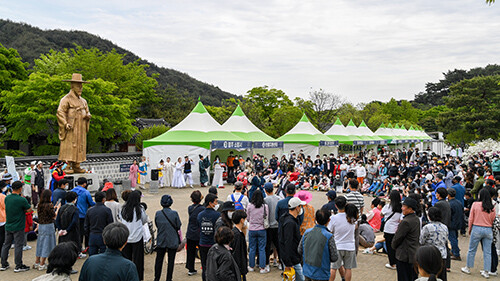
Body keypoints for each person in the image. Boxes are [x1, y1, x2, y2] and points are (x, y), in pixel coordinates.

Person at [461, 188, 496, 278]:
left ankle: (468, 268)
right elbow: (493, 219)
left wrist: (470, 229)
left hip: (476, 228)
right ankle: (486, 271)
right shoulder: (492, 206)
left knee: (472, 249)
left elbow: (471, 218)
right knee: (487, 252)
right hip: (488, 230)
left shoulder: (475, 204)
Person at [0, 181, 32, 272]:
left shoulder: (7, 198)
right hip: (18, 226)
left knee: (6, 245)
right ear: (20, 188)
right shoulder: (21, 199)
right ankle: (18, 265)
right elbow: (29, 209)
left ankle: (3, 264)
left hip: (8, 225)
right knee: (18, 245)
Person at [298, 209, 338, 281]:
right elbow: (334, 257)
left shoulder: (307, 232)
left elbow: (299, 250)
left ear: (315, 219)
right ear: (329, 220)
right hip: (322, 273)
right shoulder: (329, 236)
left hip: (307, 271)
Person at [119, 190, 148, 280]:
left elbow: (120, 218)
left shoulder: (123, 208)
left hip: (126, 236)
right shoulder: (140, 209)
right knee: (138, 259)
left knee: (126, 258)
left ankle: (125, 276)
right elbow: (144, 220)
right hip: (137, 236)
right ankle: (138, 277)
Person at [328, 198, 358, 281]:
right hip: (350, 246)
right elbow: (355, 227)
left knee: (333, 268)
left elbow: (329, 231)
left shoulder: (333, 218)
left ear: (336, 206)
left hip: (338, 246)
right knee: (348, 268)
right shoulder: (352, 217)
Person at [392, 197, 421, 281]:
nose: (402, 208)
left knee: (403, 277)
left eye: (404, 206)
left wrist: (393, 246)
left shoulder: (406, 222)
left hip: (404, 255)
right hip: (413, 254)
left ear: (410, 209)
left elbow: (398, 238)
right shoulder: (416, 219)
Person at [154, 194, 181, 281]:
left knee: (159, 260)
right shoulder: (174, 213)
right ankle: (169, 278)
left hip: (161, 239)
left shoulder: (158, 213)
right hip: (172, 239)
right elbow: (178, 225)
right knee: (171, 261)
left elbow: (157, 224)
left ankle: (156, 278)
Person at [279, 197, 306, 281]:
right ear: (297, 207)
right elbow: (288, 242)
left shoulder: (285, 218)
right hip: (292, 258)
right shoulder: (290, 223)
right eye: (300, 206)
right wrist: (288, 262)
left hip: (289, 257)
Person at [33, 189, 59, 271]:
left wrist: (53, 208)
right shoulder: (49, 205)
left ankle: (37, 261)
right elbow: (54, 216)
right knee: (46, 244)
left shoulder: (39, 205)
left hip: (41, 226)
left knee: (40, 243)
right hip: (48, 226)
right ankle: (42, 263)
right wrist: (57, 208)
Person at [197, 193, 221, 281]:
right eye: (216, 202)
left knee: (204, 266)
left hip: (203, 243)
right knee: (215, 266)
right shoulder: (217, 215)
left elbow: (199, 227)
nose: (217, 204)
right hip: (213, 244)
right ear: (210, 203)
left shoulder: (200, 215)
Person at [84, 191, 113, 256]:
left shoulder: (89, 211)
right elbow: (110, 225)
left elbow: (86, 226)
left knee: (92, 256)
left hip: (92, 235)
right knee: (103, 256)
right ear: (103, 199)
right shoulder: (107, 210)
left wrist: (89, 234)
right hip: (103, 236)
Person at [248, 190, 269, 274]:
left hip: (252, 228)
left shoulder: (250, 206)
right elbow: (267, 216)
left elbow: (248, 218)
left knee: (252, 248)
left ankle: (251, 266)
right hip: (262, 229)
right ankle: (262, 267)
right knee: (262, 249)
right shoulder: (265, 206)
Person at [381, 189, 403, 270]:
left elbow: (381, 214)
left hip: (388, 229)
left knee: (389, 247)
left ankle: (392, 263)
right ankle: (397, 262)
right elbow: (401, 220)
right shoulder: (401, 207)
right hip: (396, 229)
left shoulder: (388, 206)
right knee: (396, 246)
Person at [73, 177, 95, 254]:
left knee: (77, 233)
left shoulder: (72, 191)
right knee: (85, 232)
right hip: (83, 215)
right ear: (85, 184)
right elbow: (91, 203)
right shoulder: (86, 192)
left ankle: (78, 248)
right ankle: (86, 247)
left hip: (74, 215)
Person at [186, 190, 205, 276]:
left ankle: (191, 268)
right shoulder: (202, 209)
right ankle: (204, 267)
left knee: (190, 251)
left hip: (190, 232)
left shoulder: (190, 208)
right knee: (202, 251)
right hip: (199, 232)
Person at [55, 192, 80, 257]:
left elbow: (57, 220)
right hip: (72, 231)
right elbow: (74, 221)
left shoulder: (62, 208)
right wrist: (67, 230)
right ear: (75, 199)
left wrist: (60, 229)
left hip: (62, 230)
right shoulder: (75, 209)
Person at [263, 182, 280, 268]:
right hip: (277, 225)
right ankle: (279, 262)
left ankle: (267, 264)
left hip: (268, 226)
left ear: (265, 190)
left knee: (268, 245)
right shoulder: (278, 198)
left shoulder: (265, 200)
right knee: (278, 245)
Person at [230, 210, 248, 281]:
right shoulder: (237, 235)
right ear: (242, 220)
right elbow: (237, 253)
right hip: (238, 268)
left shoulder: (234, 232)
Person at [447, 188, 463, 261]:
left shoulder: (450, 204)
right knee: (455, 238)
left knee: (452, 239)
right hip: (458, 223)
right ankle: (454, 251)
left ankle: (456, 254)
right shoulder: (458, 202)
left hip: (452, 223)